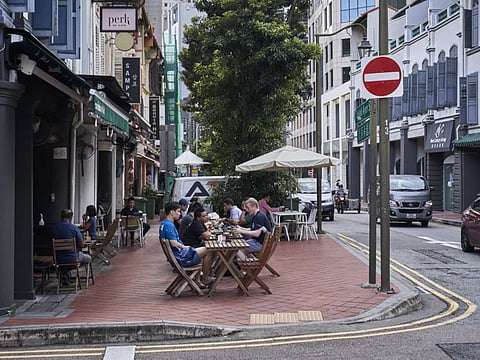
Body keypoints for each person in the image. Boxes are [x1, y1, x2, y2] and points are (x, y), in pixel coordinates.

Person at [160, 201, 214, 287]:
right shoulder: (169, 225)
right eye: (178, 211)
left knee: (203, 250)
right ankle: (205, 278)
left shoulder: (164, 223)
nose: (180, 214)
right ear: (171, 212)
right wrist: (185, 247)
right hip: (181, 256)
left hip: (177, 255)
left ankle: (198, 280)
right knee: (209, 250)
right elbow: (173, 243)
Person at [52, 209, 91, 285]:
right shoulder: (74, 228)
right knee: (89, 258)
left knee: (65, 260)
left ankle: (65, 275)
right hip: (73, 258)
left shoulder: (54, 228)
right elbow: (81, 245)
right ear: (71, 217)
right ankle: (84, 280)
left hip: (58, 259)